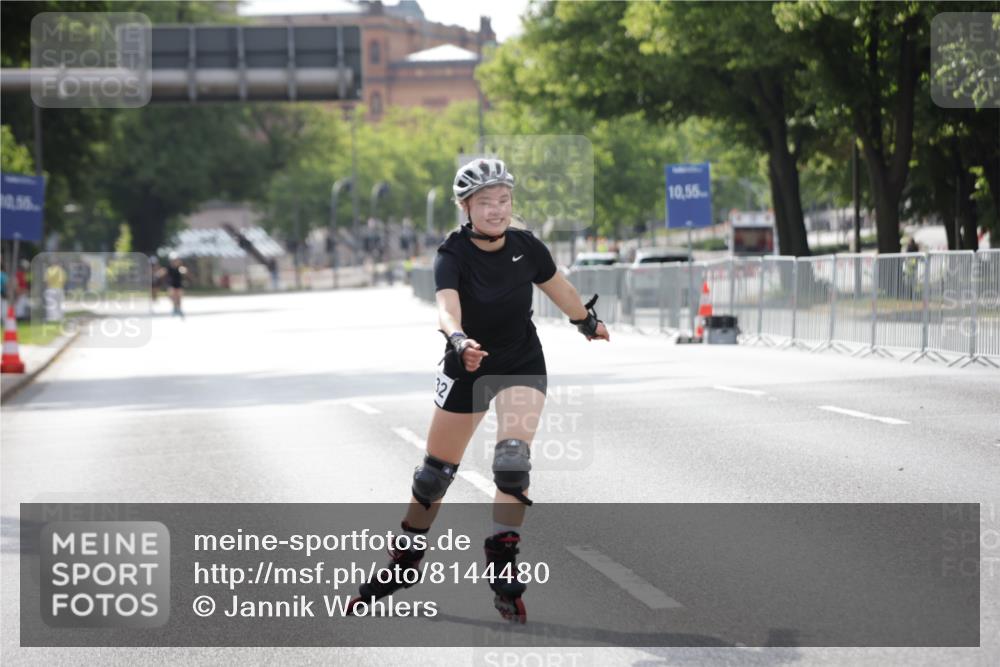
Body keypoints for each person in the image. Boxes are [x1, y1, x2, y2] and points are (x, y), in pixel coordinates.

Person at [347, 158, 610, 623]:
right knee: (434, 476)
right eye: (485, 202)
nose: (496, 210)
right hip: (466, 362)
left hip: (520, 362)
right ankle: (404, 562)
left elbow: (560, 289)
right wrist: (459, 340)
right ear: (465, 207)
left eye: (503, 200)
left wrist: (586, 322)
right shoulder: (452, 254)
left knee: (512, 463)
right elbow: (446, 309)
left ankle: (502, 563)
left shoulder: (527, 247)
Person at [166, 253, 187, 318]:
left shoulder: (180, 267)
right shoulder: (169, 267)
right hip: (171, 284)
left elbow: (185, 271)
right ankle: (175, 308)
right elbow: (164, 272)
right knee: (172, 296)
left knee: (179, 297)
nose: (175, 262)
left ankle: (179, 309)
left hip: (178, 284)